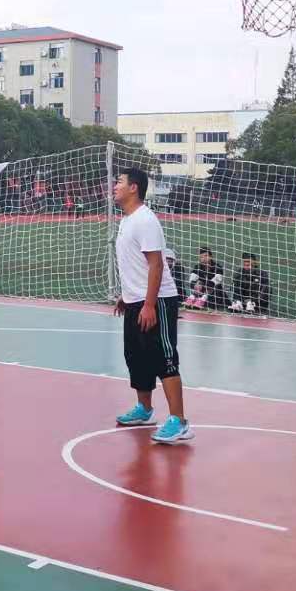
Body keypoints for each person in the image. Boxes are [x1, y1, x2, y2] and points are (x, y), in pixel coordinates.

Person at [111, 166, 192, 444]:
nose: (115, 186)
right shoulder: (127, 220)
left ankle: (179, 422)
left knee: (164, 360)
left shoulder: (145, 220)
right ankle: (144, 409)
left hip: (158, 301)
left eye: (120, 182)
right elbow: (134, 264)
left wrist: (148, 305)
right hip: (136, 300)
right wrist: (127, 296)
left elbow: (156, 265)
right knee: (136, 357)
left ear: (134, 187)